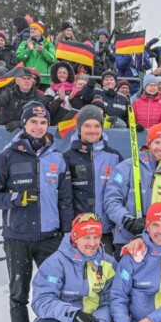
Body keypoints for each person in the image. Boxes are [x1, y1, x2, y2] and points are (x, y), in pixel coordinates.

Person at [0, 101, 74, 322]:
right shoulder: (6, 156)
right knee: (19, 295)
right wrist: (15, 198)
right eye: (34, 122)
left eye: (43, 122)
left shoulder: (57, 157)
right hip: (17, 238)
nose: (38, 126)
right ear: (24, 124)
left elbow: (65, 200)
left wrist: (68, 233)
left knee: (56, 292)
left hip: (51, 239)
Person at [31, 213, 117, 322]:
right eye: (86, 237)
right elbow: (42, 300)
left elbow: (111, 302)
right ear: (75, 238)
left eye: (96, 237)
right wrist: (74, 315)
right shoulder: (56, 263)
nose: (92, 243)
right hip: (61, 321)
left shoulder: (109, 264)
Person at [103, 124, 161, 257]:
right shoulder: (126, 167)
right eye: (157, 142)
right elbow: (111, 201)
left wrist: (159, 225)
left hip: (158, 241)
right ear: (149, 143)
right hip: (127, 238)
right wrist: (128, 221)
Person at [63, 105, 123, 255]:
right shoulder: (67, 157)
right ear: (79, 128)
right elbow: (63, 197)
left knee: (104, 275)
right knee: (77, 276)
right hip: (78, 231)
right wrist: (67, 228)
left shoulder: (114, 157)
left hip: (105, 232)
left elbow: (123, 193)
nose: (92, 130)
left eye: (97, 126)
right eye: (87, 125)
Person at [0, 66, 47, 130]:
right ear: (17, 81)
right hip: (5, 127)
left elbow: (40, 117)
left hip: (28, 131)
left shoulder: (39, 97)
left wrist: (21, 123)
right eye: (23, 78)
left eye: (29, 78)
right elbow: (1, 101)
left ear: (32, 81)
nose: (26, 81)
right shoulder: (9, 92)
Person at [16, 21, 56, 88]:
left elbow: (53, 59)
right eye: (31, 29)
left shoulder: (49, 44)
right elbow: (19, 57)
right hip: (28, 79)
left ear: (41, 31)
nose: (32, 30)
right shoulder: (24, 43)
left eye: (35, 29)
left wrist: (42, 51)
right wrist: (29, 50)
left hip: (44, 80)